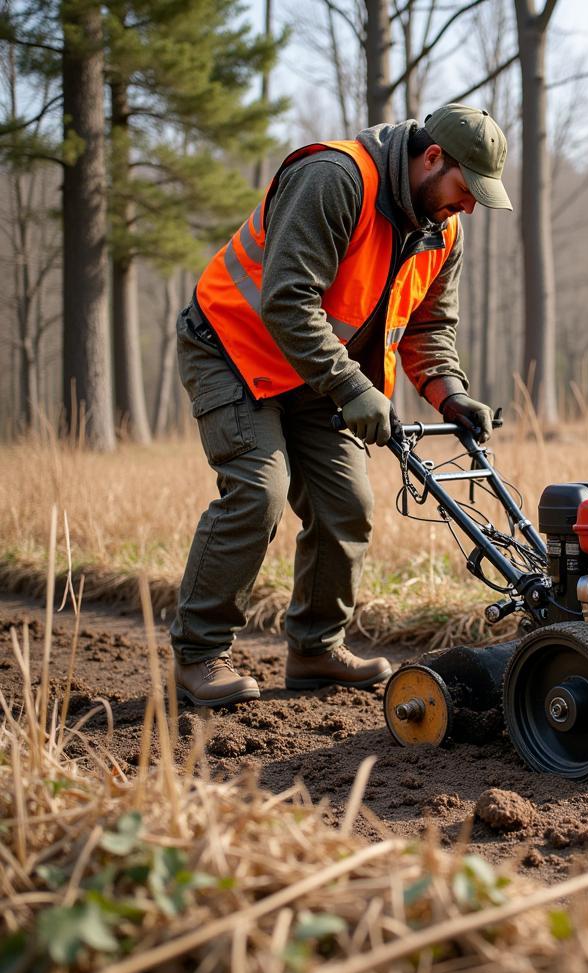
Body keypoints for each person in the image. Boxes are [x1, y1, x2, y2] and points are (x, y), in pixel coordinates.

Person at [171, 104, 511, 708]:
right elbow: (287, 299)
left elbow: (430, 329)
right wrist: (354, 389)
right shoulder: (336, 178)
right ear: (432, 158)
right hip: (232, 347)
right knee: (258, 490)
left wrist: (450, 394)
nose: (469, 207)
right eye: (466, 190)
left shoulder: (443, 232)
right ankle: (200, 655)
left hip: (316, 374)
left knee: (347, 505)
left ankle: (315, 650)